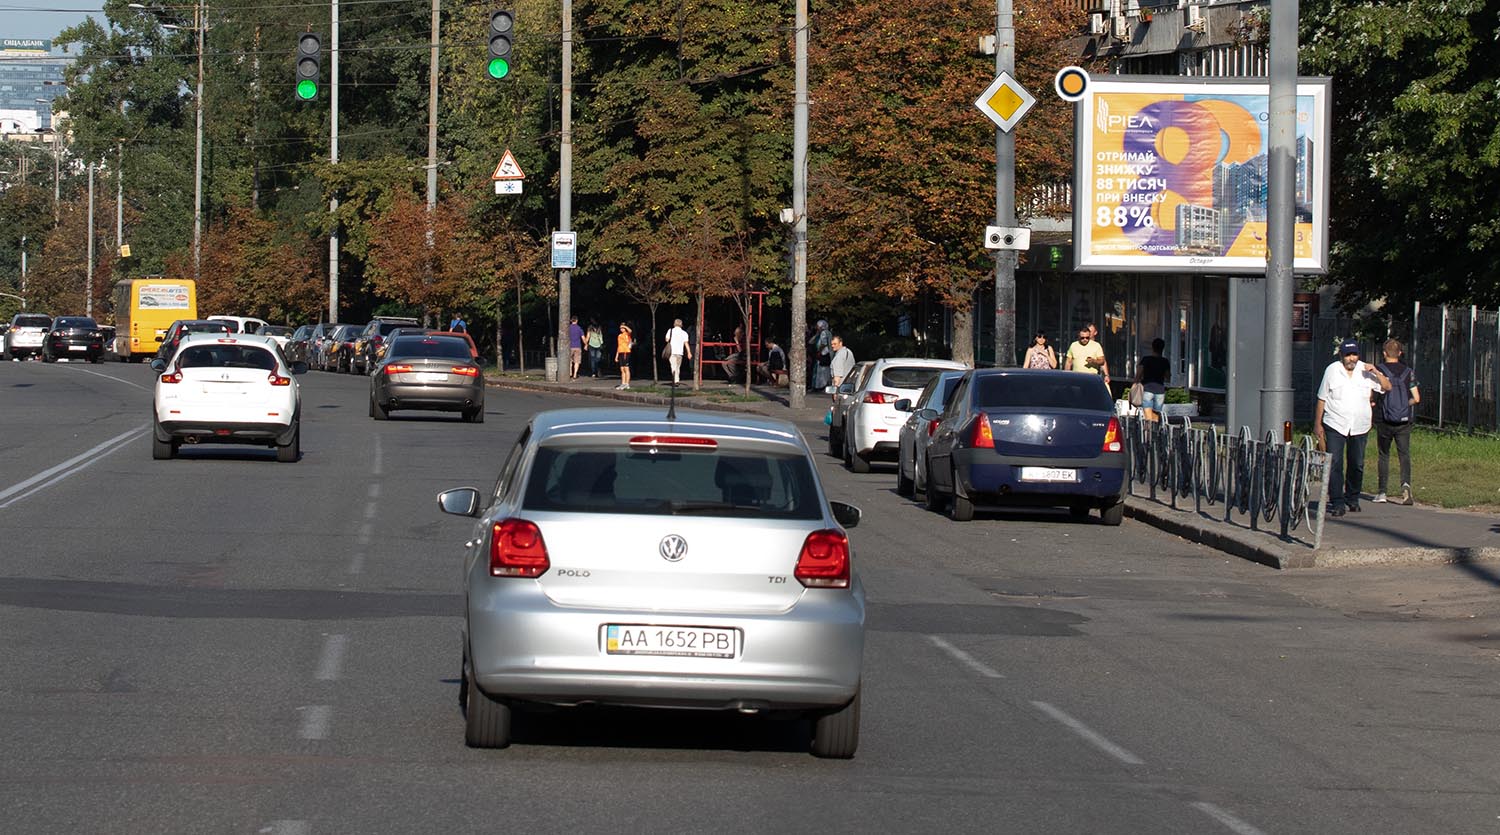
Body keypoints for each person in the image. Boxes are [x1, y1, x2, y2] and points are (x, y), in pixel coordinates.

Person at [1314, 340, 1391, 517]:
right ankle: (1337, 501)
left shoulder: (1365, 370)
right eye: (1348, 355)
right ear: (1341, 356)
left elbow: (1387, 387)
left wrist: (1376, 372)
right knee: (1335, 463)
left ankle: (1352, 498)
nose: (1351, 359)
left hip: (1360, 425)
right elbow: (1322, 398)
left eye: (1354, 355)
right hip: (1335, 423)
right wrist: (1317, 424)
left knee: (1357, 463)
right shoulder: (1332, 370)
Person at [1373, 338, 1421, 505]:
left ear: (1384, 353)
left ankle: (1382, 492)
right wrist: (1404, 406)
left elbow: (1373, 395)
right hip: (1404, 420)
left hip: (1384, 420)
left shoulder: (1379, 370)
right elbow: (1416, 398)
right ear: (1400, 353)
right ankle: (1406, 485)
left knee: (1384, 455)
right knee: (1404, 454)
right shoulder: (1409, 372)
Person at [1064, 324, 1110, 390]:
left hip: (1091, 379)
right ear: (1079, 336)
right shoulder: (1073, 345)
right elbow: (1068, 362)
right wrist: (1066, 376)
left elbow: (1102, 361)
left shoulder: (1096, 345)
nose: (1085, 339)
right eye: (1082, 338)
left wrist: (1094, 361)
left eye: (1087, 338)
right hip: (1076, 378)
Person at [1134, 337, 1170, 418]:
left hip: (1147, 389)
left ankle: (1148, 430)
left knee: (1148, 417)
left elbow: (1138, 375)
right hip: (1160, 390)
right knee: (1156, 416)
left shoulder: (1146, 359)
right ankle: (1154, 430)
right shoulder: (1165, 361)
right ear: (1162, 348)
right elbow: (1168, 377)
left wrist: (1135, 384)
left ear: (1152, 347)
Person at [664, 318, 692, 385]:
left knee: (673, 366)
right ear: (681, 325)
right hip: (680, 352)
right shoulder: (684, 333)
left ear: (674, 324)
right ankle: (677, 380)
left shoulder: (670, 331)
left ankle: (675, 380)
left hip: (672, 351)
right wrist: (689, 352)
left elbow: (666, 340)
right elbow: (686, 343)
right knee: (678, 367)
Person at [809, 319, 832, 390]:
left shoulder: (824, 333)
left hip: (823, 354)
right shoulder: (826, 333)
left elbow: (823, 344)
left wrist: (819, 351)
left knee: (821, 371)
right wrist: (816, 334)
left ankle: (820, 386)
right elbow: (811, 341)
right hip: (826, 354)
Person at [614, 324, 634, 390]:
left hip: (626, 352)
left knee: (626, 368)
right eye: (620, 328)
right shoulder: (619, 336)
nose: (621, 329)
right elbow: (618, 346)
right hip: (620, 352)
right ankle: (623, 383)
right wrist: (616, 356)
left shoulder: (627, 334)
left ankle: (627, 383)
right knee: (622, 369)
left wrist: (625, 326)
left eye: (623, 328)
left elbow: (630, 331)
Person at [567, 315, 585, 380]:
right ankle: (575, 374)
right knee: (577, 361)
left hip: (569, 346)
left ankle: (569, 373)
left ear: (571, 320)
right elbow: (583, 338)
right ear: (577, 320)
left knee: (569, 361)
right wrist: (586, 344)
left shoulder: (568, 328)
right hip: (578, 346)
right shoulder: (579, 328)